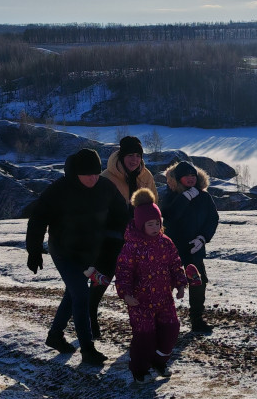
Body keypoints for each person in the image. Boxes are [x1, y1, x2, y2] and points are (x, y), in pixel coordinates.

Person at [25, 148, 127, 365]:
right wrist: (34, 250)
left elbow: (123, 213)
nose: (92, 178)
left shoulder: (105, 187)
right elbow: (37, 220)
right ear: (76, 174)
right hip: (64, 252)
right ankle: (88, 349)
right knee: (81, 294)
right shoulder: (58, 190)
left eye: (96, 173)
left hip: (91, 251)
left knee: (73, 294)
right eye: (87, 174)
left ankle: (55, 336)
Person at [115, 189, 200, 383]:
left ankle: (159, 362)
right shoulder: (132, 246)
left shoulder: (165, 242)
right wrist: (125, 293)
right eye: (150, 224)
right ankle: (140, 369)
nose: (154, 227)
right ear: (140, 224)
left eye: (157, 223)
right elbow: (123, 272)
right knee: (145, 336)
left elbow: (175, 264)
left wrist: (179, 284)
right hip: (140, 301)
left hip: (164, 298)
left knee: (171, 329)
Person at [89, 135, 159, 340]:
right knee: (101, 281)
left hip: (137, 241)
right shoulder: (106, 178)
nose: (134, 159)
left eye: (138, 155)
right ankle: (89, 317)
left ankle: (143, 327)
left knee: (140, 285)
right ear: (121, 156)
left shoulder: (146, 177)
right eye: (130, 155)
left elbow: (154, 207)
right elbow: (95, 211)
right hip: (110, 241)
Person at [160, 160, 219, 334]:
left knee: (199, 282)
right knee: (166, 284)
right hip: (173, 248)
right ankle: (162, 320)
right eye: (186, 176)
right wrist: (184, 198)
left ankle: (197, 319)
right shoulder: (170, 195)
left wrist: (203, 238)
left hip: (195, 248)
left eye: (193, 175)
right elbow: (168, 217)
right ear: (179, 178)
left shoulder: (204, 197)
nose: (191, 178)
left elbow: (212, 219)